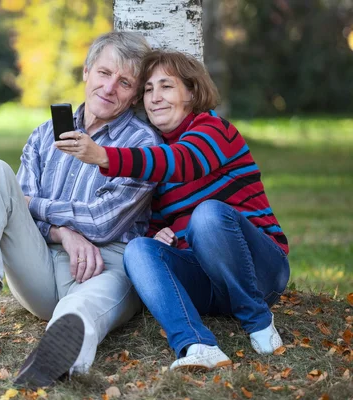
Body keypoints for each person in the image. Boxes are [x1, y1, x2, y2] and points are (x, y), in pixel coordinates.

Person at [0, 31, 163, 388]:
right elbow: (17, 208)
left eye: (124, 82)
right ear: (87, 71)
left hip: (107, 265)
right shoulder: (45, 135)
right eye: (104, 73)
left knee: (81, 310)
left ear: (136, 94)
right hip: (41, 262)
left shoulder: (142, 145)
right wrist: (62, 232)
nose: (110, 88)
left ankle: (59, 361)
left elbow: (103, 221)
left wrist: (40, 208)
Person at [55, 49, 290, 372]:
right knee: (138, 249)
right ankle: (196, 345)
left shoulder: (212, 130)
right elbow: (157, 222)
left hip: (263, 272)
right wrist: (161, 235)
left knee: (207, 215)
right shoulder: (158, 156)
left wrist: (104, 156)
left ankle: (258, 321)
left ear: (191, 92)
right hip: (210, 284)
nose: (155, 98)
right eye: (148, 90)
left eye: (166, 86)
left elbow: (183, 163)